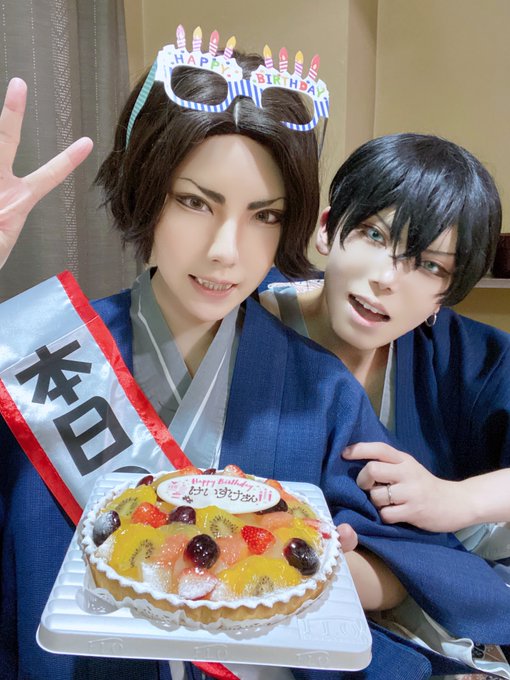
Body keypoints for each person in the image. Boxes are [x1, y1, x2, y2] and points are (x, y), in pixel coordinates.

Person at [1, 32, 509, 680]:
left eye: (264, 215)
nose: (226, 251)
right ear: (145, 192)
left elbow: (407, 567)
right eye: (194, 202)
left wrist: (316, 564)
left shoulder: (320, 389)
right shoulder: (40, 353)